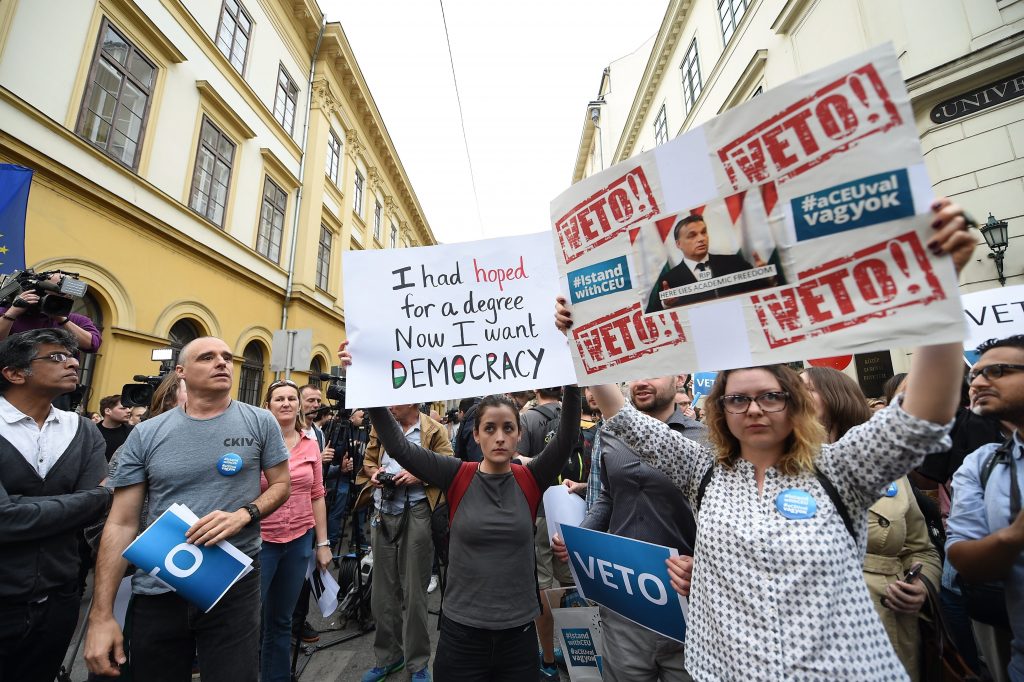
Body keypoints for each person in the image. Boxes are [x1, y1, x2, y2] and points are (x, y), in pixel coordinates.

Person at [557, 198, 975, 680]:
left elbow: (922, 416)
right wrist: (581, 337)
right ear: (720, 412)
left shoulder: (841, 468)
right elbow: (624, 417)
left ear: (795, 403)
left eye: (771, 396)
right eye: (738, 399)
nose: (754, 408)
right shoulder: (705, 472)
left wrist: (942, 292)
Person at [340, 341, 580, 681]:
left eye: (508, 428)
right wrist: (368, 383)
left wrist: (573, 376)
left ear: (519, 435)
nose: (500, 437)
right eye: (490, 429)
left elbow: (568, 434)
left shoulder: (531, 477)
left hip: (518, 632)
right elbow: (398, 447)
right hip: (462, 633)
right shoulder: (456, 474)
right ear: (477, 436)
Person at [84, 336, 291, 681]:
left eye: (227, 357)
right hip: (160, 583)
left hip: (234, 581)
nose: (222, 362)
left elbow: (282, 485)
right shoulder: (146, 434)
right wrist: (101, 614)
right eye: (207, 357)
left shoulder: (260, 421)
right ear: (180, 372)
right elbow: (121, 523)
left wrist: (245, 514)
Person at [554, 375, 705, 682]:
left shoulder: (706, 439)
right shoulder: (610, 433)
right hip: (623, 601)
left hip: (686, 602)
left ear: (679, 378)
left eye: (653, 371)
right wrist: (579, 539)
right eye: (635, 372)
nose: (642, 381)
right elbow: (606, 497)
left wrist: (702, 566)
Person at [801, 366, 940, 680]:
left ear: (837, 398)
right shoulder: (772, 470)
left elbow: (922, 551)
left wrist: (921, 586)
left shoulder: (887, 469)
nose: (792, 397)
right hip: (811, 633)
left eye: (805, 389)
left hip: (886, 626)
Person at [0, 329, 111, 682]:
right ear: (14, 373)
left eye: (73, 355)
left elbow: (93, 511)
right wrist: (96, 497)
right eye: (56, 357)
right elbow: (4, 520)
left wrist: (25, 507)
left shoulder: (83, 430)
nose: (73, 362)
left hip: (59, 598)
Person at [355, 401, 453, 682]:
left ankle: (418, 663)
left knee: (415, 592)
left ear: (411, 400)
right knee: (382, 593)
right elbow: (369, 461)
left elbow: (447, 468)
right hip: (382, 512)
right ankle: (388, 658)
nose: (388, 406)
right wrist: (374, 474)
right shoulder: (381, 426)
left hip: (418, 512)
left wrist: (418, 475)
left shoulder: (434, 429)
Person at [947, 334, 1024, 681]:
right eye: (974, 375)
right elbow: (965, 562)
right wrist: (1013, 537)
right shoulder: (981, 464)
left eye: (997, 371)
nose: (977, 382)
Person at [259, 379, 331, 682]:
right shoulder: (256, 442)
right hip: (260, 542)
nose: (286, 403)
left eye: (291, 398)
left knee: (282, 620)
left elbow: (317, 494)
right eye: (279, 399)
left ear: (299, 405)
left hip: (299, 541)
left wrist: (323, 543)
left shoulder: (311, 443)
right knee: (247, 618)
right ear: (268, 405)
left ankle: (276, 677)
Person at [648, 214, 766, 312]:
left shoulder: (734, 262)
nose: (701, 239)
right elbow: (652, 315)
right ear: (678, 244)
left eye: (703, 232)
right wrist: (666, 305)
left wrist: (767, 278)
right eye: (692, 235)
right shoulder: (668, 280)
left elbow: (761, 291)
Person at [0, 276, 102, 351]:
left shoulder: (77, 320)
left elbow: (92, 345)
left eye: (67, 294)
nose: (64, 297)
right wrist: (12, 313)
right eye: (57, 292)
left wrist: (62, 319)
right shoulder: (7, 312)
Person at [97, 394, 133, 461]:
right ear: (107, 411)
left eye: (129, 408)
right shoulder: (92, 431)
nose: (129, 411)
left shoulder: (133, 432)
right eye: (123, 408)